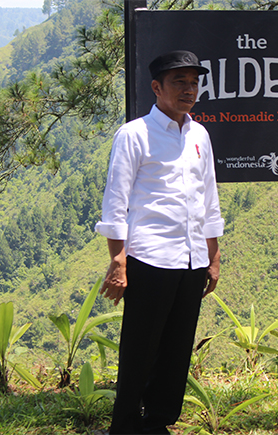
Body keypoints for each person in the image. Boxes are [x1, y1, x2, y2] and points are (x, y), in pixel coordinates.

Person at [94, 50, 224, 435]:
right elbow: (116, 201)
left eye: (193, 82)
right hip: (150, 256)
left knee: (178, 346)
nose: (188, 89)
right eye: (178, 82)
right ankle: (126, 424)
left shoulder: (199, 134)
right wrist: (118, 260)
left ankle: (158, 421)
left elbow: (208, 198)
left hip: (191, 258)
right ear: (157, 87)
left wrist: (213, 256)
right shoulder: (134, 135)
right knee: (140, 347)